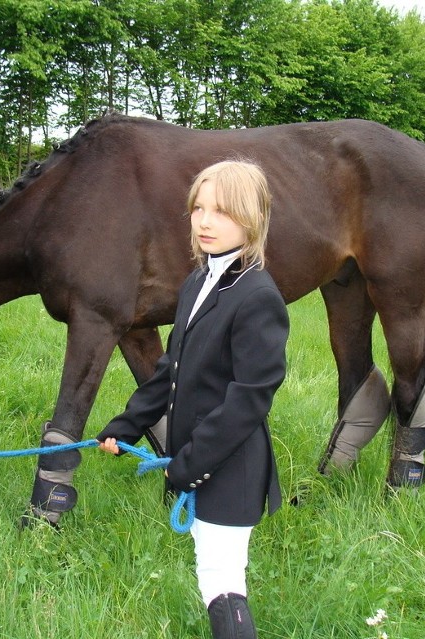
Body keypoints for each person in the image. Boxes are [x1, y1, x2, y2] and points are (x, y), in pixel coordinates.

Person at [97, 160, 289, 639]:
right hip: (199, 461)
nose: (204, 221)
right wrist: (128, 424)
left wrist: (190, 464)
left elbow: (249, 400)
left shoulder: (258, 296)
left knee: (223, 582)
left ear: (252, 219)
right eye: (198, 208)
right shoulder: (198, 282)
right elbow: (171, 370)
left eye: (221, 212)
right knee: (212, 576)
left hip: (229, 466)